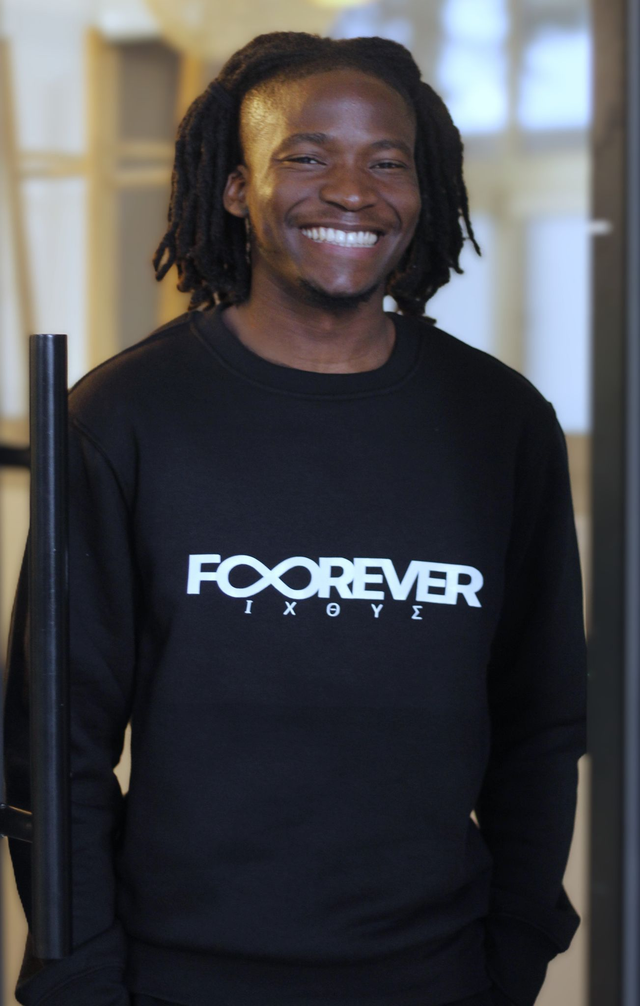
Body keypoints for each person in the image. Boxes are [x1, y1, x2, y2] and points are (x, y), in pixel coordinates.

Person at [4, 30, 587, 1006]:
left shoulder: (500, 422)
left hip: (435, 974)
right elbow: (52, 747)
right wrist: (84, 980)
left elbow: (542, 716)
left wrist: (514, 949)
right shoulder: (123, 416)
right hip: (176, 977)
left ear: (424, 189)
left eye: (386, 162)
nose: (352, 192)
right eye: (307, 157)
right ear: (237, 187)